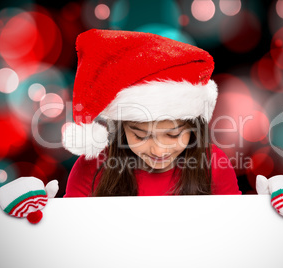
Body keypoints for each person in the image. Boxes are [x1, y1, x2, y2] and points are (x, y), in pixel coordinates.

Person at [62, 29, 241, 197]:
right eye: (140, 136)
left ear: (193, 128)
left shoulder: (213, 163)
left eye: (173, 135)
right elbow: (70, 224)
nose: (159, 150)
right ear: (121, 128)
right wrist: (40, 210)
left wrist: (265, 207)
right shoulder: (94, 165)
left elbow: (236, 221)